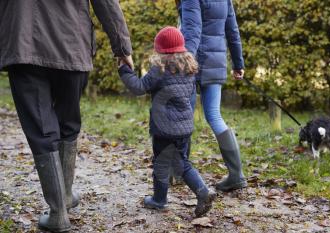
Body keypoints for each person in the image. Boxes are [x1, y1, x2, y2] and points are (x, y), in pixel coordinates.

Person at [0, 1, 133, 232]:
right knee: (68, 122)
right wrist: (122, 47)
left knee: (41, 129)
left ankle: (59, 211)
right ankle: (66, 195)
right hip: (72, 42)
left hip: (23, 44)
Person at [118, 27, 216, 217]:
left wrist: (124, 71)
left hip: (164, 129)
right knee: (182, 163)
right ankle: (202, 191)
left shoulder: (159, 70)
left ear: (160, 50)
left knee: (161, 164)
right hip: (185, 127)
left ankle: (160, 200)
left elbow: (139, 88)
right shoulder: (190, 69)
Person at [178, 0, 247, 191]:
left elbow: (192, 30)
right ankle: (236, 175)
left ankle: (178, 171)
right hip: (215, 61)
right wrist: (238, 63)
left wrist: (186, 62)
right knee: (214, 116)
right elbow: (232, 30)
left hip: (193, 63)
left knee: (184, 116)